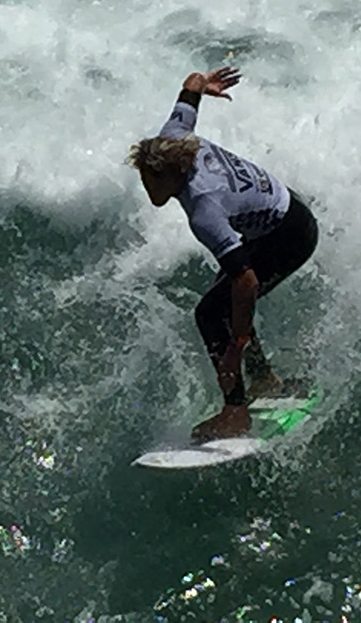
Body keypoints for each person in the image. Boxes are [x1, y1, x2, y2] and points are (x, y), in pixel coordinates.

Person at [128, 66, 318, 442]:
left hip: (291, 235)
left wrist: (238, 344)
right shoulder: (175, 136)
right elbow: (192, 82)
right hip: (278, 210)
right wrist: (206, 87)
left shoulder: (205, 210)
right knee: (225, 304)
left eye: (151, 180)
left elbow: (245, 282)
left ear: (171, 176)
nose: (147, 186)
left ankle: (236, 413)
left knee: (212, 314)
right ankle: (264, 379)